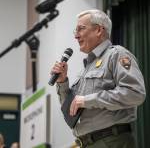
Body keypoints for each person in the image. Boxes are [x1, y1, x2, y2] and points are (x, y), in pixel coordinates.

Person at [50, 9, 146, 148]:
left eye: (81, 29)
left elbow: (135, 94)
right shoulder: (86, 68)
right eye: (75, 31)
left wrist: (88, 100)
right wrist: (62, 82)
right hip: (86, 143)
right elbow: (71, 110)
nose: (76, 36)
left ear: (99, 30)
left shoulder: (116, 54)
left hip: (112, 141)